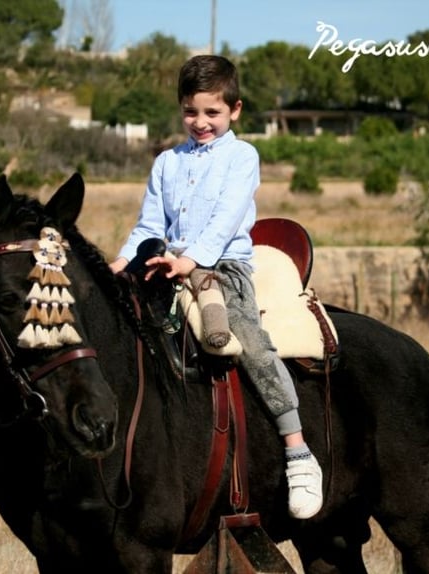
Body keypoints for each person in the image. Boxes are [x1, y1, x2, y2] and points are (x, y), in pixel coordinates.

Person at [108, 55, 323, 520]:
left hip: (224, 267)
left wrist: (191, 260)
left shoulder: (242, 156)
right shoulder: (167, 162)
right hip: (170, 263)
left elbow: (226, 218)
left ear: (235, 110)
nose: (200, 122)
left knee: (249, 341)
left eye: (212, 113)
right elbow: (149, 223)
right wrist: (121, 262)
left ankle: (297, 449)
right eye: (191, 112)